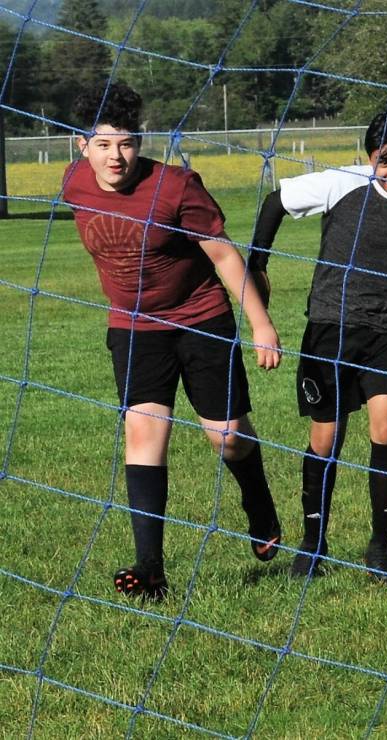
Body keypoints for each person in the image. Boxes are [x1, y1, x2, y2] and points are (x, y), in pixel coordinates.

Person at [62, 82, 284, 602]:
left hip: (202, 319)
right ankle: (151, 569)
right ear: (82, 146)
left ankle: (258, 503)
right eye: (103, 144)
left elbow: (225, 256)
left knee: (226, 436)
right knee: (144, 432)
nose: (116, 156)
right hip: (135, 329)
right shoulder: (73, 183)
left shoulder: (177, 186)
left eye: (127, 143)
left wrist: (261, 324)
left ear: (140, 142)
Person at [247, 107, 387, 584]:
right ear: (370, 157)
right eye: (384, 161)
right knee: (326, 439)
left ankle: (381, 548)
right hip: (330, 330)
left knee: (385, 429)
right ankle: (313, 542)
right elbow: (275, 201)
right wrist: (257, 263)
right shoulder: (341, 184)